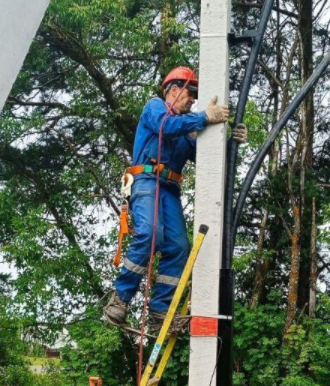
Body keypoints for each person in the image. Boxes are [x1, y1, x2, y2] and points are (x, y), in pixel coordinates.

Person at [103, 66, 246, 333]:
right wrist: (204, 117)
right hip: (146, 181)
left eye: (194, 96)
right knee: (149, 232)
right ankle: (120, 298)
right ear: (172, 90)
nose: (192, 99)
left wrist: (231, 145)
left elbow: (206, 156)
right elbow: (165, 127)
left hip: (169, 189)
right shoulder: (155, 108)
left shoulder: (187, 128)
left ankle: (160, 312)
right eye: (189, 93)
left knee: (179, 247)